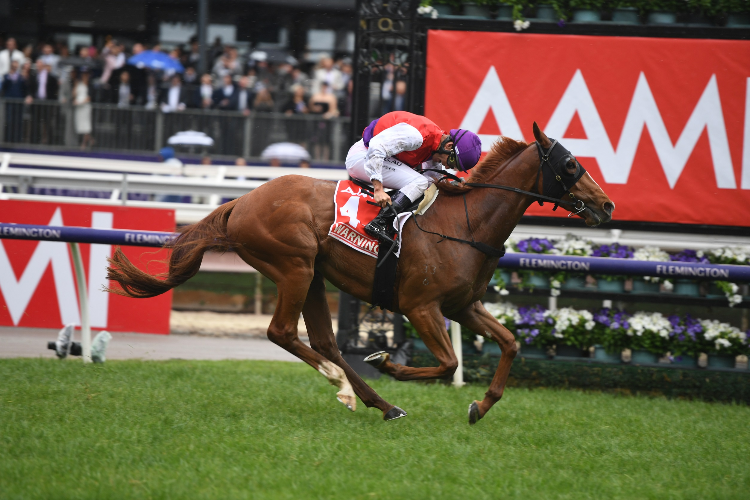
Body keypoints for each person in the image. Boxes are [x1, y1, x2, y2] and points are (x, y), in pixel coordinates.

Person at [345, 111, 482, 242]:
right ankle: (380, 222)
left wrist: (453, 189)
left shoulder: (436, 143)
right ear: (449, 146)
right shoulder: (417, 136)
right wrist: (378, 189)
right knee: (420, 181)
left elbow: (435, 181)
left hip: (374, 156)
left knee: (427, 183)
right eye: (452, 163)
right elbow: (376, 148)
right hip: (363, 156)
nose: (447, 167)